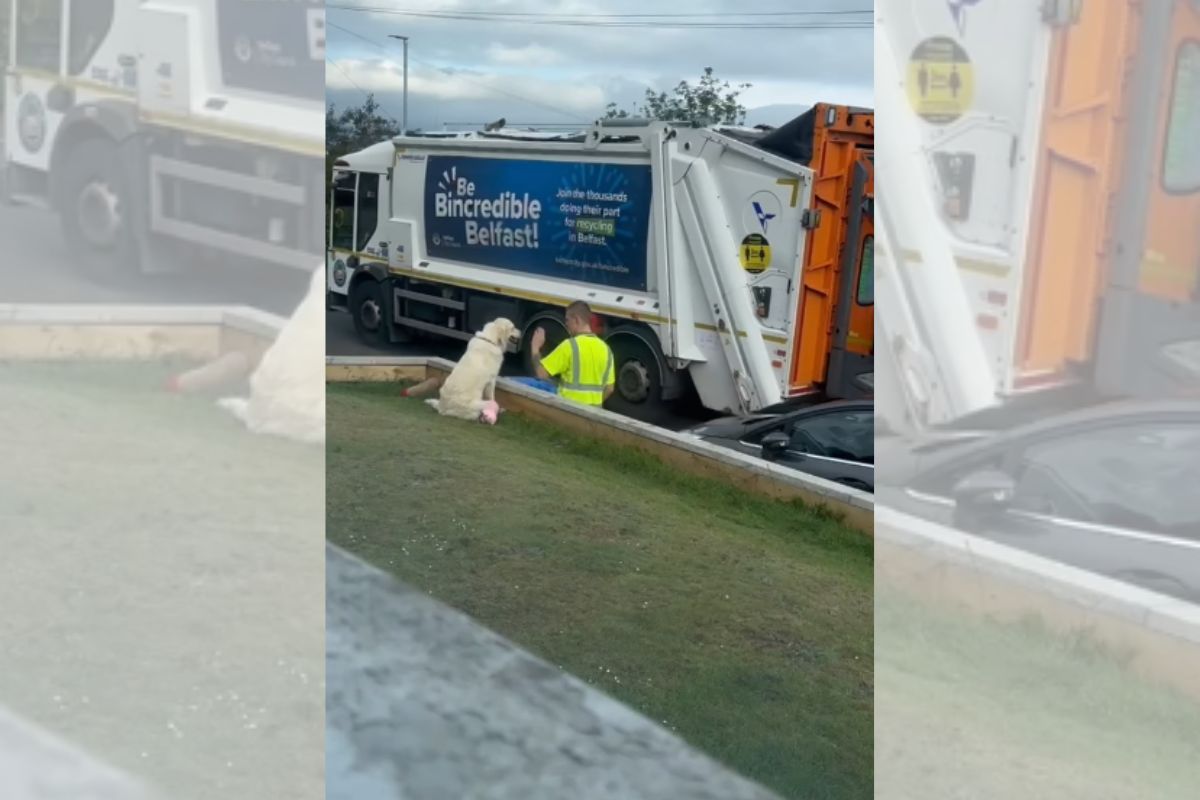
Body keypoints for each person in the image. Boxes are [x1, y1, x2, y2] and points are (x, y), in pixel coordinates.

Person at [517, 301, 615, 407]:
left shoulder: (570, 346)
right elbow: (609, 388)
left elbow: (541, 374)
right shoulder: (606, 349)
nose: (566, 324)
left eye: (567, 320)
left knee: (520, 382)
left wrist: (535, 348)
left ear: (576, 319)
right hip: (594, 411)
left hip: (568, 407)